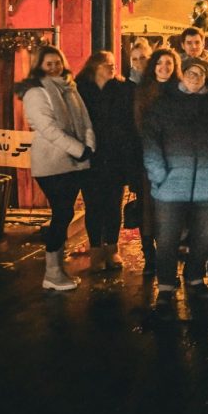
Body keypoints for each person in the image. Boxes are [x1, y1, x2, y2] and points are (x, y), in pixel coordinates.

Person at [142, 56, 208, 304]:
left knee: (203, 238)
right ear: (182, 75)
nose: (195, 77)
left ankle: (195, 278)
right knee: (168, 239)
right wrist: (159, 175)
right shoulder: (164, 104)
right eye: (190, 73)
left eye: (200, 74)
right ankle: (166, 286)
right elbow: (150, 142)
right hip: (171, 186)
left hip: (207, 185)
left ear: (205, 78)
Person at [16, 45, 96, 291]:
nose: (54, 67)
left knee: (65, 213)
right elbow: (48, 129)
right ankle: (51, 272)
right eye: (48, 63)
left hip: (74, 162)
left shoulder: (69, 88)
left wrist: (89, 145)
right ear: (39, 65)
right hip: (52, 164)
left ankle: (57, 269)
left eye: (57, 62)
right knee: (61, 215)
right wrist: (78, 149)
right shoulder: (36, 92)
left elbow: (85, 120)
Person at [75, 51, 141, 273]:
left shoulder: (122, 89)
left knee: (114, 204)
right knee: (93, 204)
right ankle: (95, 250)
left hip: (115, 156)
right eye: (107, 64)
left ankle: (112, 248)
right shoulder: (81, 89)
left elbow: (130, 122)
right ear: (95, 66)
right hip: (91, 155)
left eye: (113, 64)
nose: (112, 67)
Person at [133, 48, 182, 275]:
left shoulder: (180, 90)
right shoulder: (144, 91)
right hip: (151, 160)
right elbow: (141, 125)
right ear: (154, 65)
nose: (164, 67)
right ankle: (149, 256)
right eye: (160, 62)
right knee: (149, 210)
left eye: (169, 63)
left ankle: (168, 257)